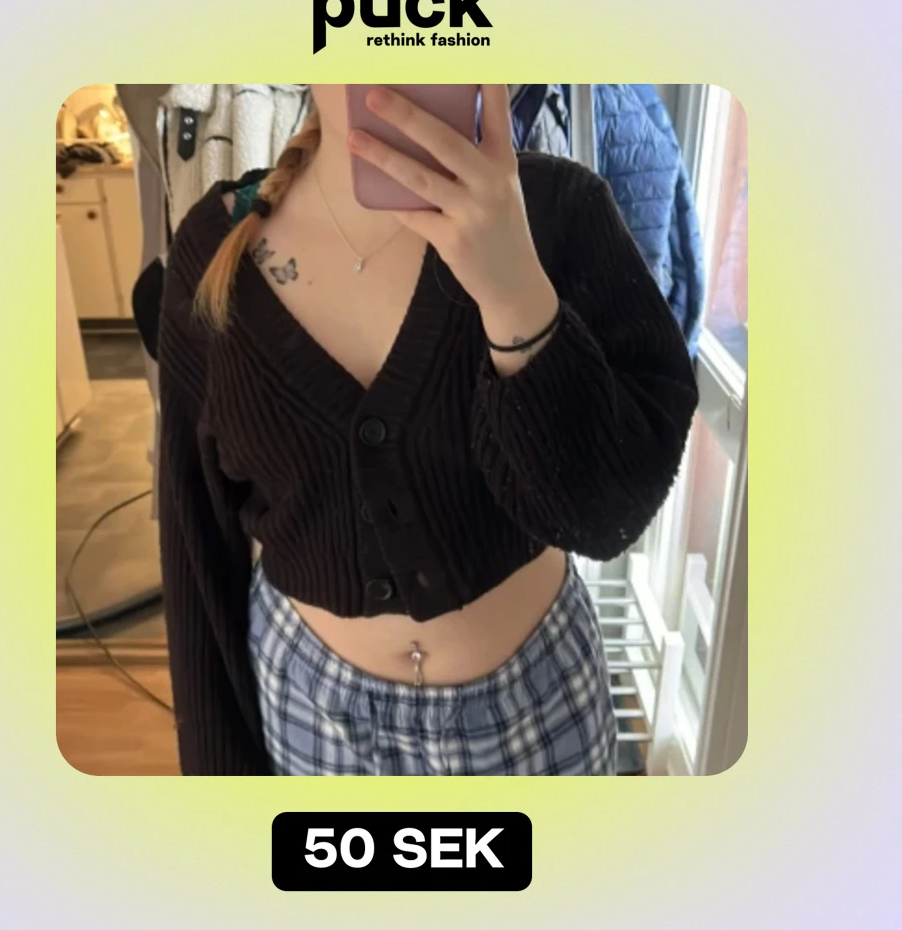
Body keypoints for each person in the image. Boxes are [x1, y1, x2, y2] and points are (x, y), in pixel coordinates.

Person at [156, 84, 699, 776]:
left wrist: (514, 293)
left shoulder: (560, 211)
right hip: (307, 713)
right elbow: (196, 547)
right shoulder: (215, 251)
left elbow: (608, 516)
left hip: (533, 711)